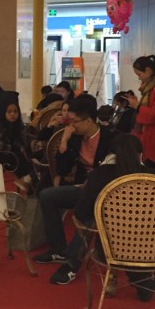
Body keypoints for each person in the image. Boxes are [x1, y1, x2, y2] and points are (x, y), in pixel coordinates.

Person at [48, 134, 155, 300]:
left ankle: (71, 264)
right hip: (151, 248)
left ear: (111, 154)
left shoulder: (100, 176)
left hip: (110, 248)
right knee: (134, 239)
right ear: (140, 154)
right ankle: (144, 281)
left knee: (92, 219)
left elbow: (81, 213)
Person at [33, 97, 115, 265]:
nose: (71, 125)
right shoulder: (75, 137)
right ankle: (58, 249)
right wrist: (64, 142)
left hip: (106, 192)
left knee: (89, 204)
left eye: (74, 121)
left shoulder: (111, 137)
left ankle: (73, 261)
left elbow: (114, 171)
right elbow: (62, 170)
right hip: (83, 187)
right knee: (47, 196)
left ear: (88, 121)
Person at [0, 99, 34, 186]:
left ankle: (28, 181)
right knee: (22, 160)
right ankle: (26, 182)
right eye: (9, 112)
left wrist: (21, 147)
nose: (12, 114)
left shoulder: (18, 126)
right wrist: (16, 148)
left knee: (29, 158)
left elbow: (22, 144)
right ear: (4, 113)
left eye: (15, 111)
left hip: (9, 155)